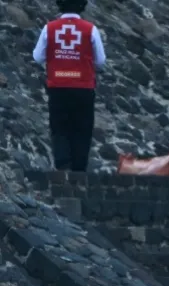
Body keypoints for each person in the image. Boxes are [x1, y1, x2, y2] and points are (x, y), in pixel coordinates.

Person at [32, 0, 106, 172]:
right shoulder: (90, 29)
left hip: (58, 86)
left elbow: (37, 57)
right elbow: (101, 61)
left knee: (60, 127)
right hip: (83, 87)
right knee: (82, 128)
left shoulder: (49, 28)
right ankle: (79, 169)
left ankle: (62, 165)